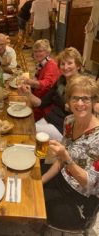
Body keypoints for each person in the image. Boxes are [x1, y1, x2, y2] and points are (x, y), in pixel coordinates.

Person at [41, 75, 99, 231]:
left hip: (81, 199)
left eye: (85, 99)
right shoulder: (69, 122)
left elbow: (89, 184)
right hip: (63, 177)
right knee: (31, 184)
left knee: (36, 206)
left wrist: (67, 158)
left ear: (93, 102)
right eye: (75, 98)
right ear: (68, 101)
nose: (80, 103)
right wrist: (42, 180)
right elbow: (60, 160)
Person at [20, 47, 82, 141]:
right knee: (26, 125)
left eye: (70, 63)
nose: (65, 67)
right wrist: (28, 94)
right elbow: (43, 102)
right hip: (50, 118)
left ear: (78, 65)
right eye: (62, 64)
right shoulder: (61, 81)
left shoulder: (81, 86)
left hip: (64, 128)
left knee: (26, 130)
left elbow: (84, 116)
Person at [22, 39, 60, 120]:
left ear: (47, 52)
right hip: (37, 98)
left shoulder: (51, 65)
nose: (37, 54)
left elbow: (47, 84)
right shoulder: (42, 63)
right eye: (35, 51)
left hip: (44, 105)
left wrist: (30, 82)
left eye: (40, 51)